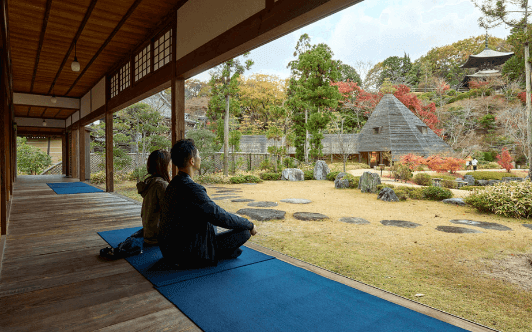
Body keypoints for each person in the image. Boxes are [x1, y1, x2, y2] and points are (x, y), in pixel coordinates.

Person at [158, 139, 257, 268]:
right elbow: (220, 216)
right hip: (186, 254)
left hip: (169, 249)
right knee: (243, 232)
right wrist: (249, 224)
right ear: (192, 161)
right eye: (198, 155)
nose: (200, 158)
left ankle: (223, 251)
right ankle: (216, 254)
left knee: (210, 222)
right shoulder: (192, 189)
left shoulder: (173, 185)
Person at [136, 150, 171, 245]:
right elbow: (171, 212)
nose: (171, 165)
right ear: (163, 165)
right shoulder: (161, 185)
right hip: (157, 237)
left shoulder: (150, 182)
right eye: (169, 163)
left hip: (149, 232)